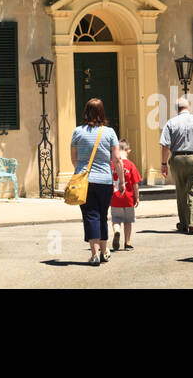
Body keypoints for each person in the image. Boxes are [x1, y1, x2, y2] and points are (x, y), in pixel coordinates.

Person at [70, 98, 123, 266]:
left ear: (86, 112)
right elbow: (117, 159)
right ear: (102, 113)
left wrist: (82, 171)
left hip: (85, 181)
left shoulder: (78, 132)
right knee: (102, 215)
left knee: (90, 215)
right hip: (105, 181)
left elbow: (74, 159)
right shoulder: (109, 133)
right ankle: (104, 251)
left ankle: (94, 254)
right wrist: (121, 181)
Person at [160, 96, 193, 234]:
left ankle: (183, 223)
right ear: (189, 107)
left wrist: (163, 164)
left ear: (176, 109)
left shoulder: (171, 123)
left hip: (178, 158)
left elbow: (165, 145)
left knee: (181, 191)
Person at [110, 139, 142, 252]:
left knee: (116, 219)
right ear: (128, 151)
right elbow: (135, 184)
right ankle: (127, 243)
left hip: (115, 197)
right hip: (128, 198)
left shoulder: (112, 164)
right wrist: (137, 197)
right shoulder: (131, 165)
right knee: (128, 221)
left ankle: (117, 231)